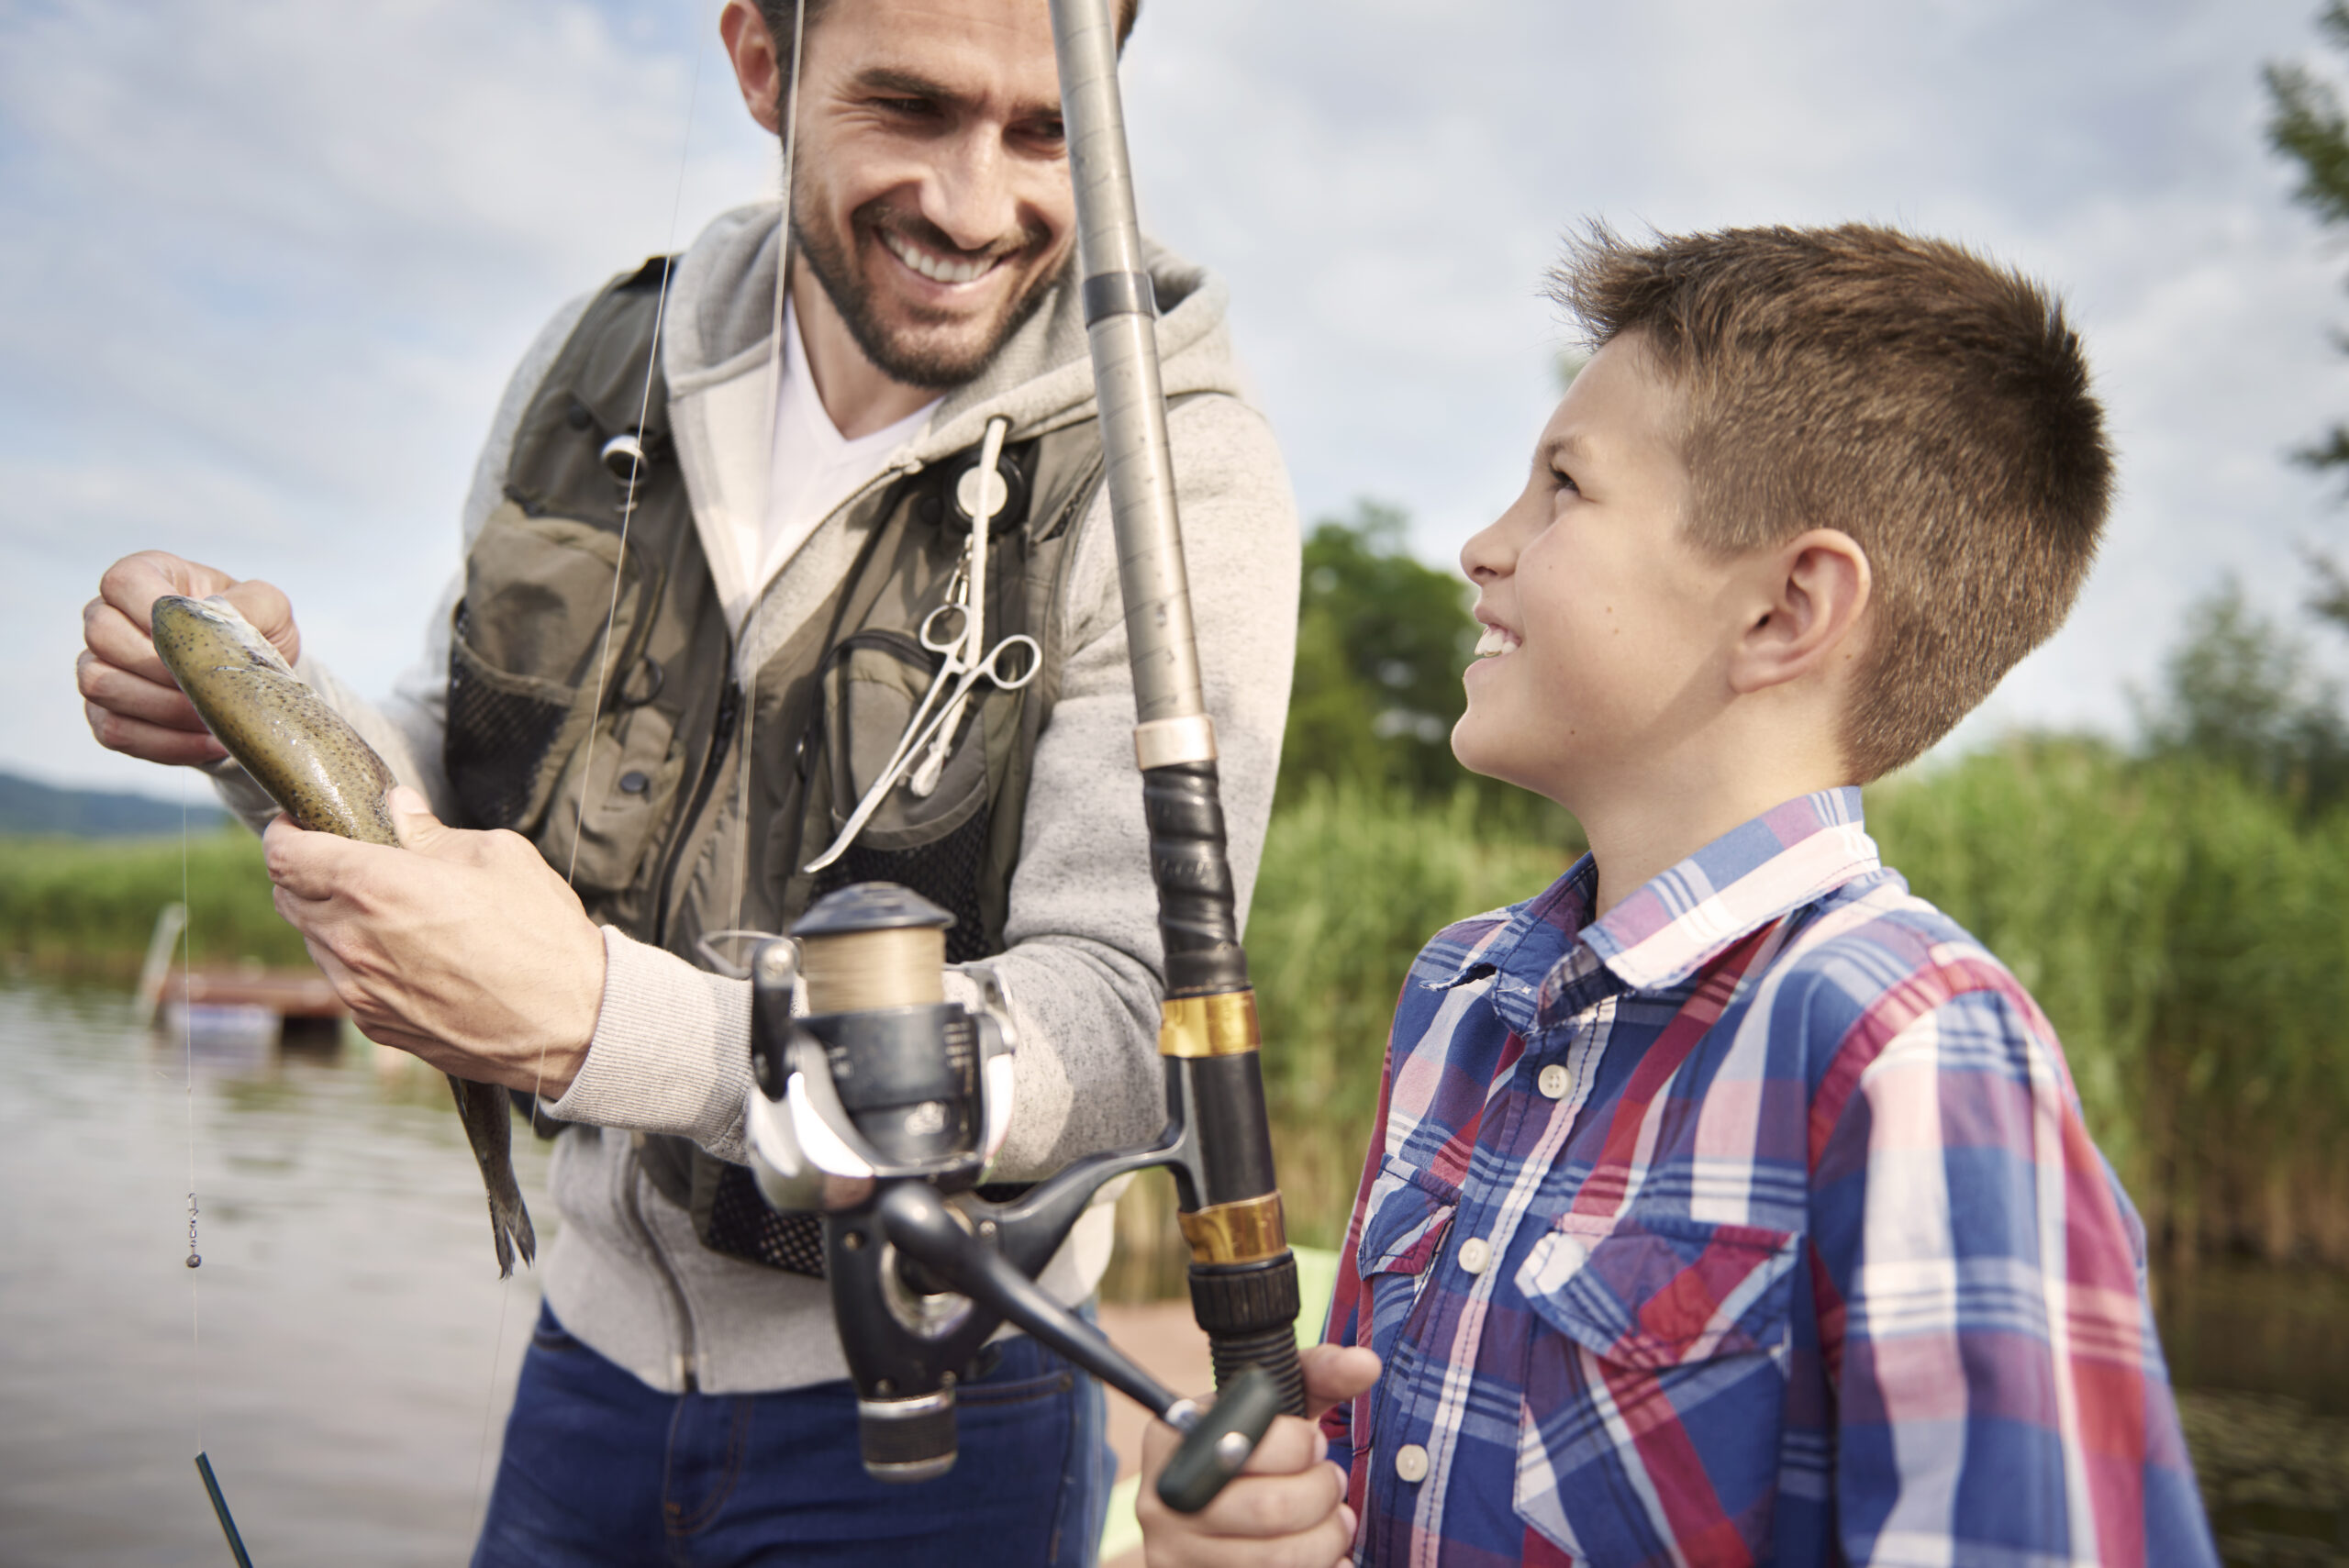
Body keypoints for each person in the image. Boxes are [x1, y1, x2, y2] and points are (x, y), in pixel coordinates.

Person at [77, 1, 1299, 1562]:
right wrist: (242, 710)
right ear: (761, 63)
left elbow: (1129, 1027)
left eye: (1048, 128)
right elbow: (444, 767)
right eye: (912, 108)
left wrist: (607, 1025)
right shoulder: (597, 362)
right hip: (581, 1363)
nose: (978, 201)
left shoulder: (1178, 465)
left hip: (941, 1417)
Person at [1134, 224, 2218, 1567]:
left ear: (1785, 609)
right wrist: (1252, 1529)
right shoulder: (1459, 993)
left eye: (1563, 490)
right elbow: (1357, 1488)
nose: (1483, 544)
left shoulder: (1914, 1052)